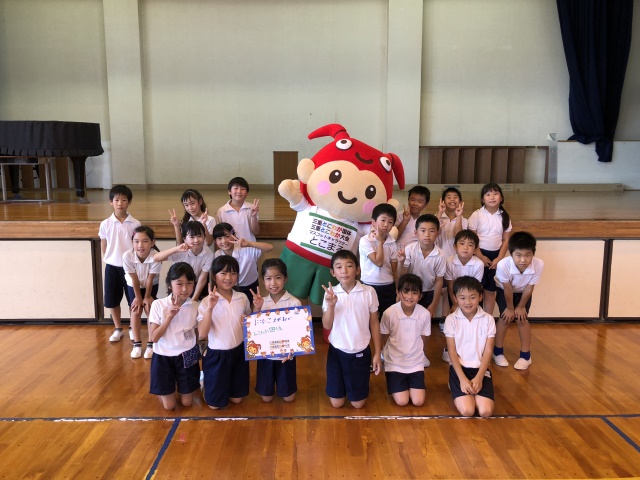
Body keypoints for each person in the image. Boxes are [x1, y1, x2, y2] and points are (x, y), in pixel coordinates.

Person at [322, 250, 381, 409]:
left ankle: (355, 388)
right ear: (333, 272)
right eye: (339, 267)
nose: (344, 271)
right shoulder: (330, 294)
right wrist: (331, 305)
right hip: (337, 351)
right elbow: (327, 325)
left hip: (360, 352)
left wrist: (377, 353)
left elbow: (374, 323)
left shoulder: (369, 292)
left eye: (349, 266)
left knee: (358, 404)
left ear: (358, 269)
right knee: (336, 403)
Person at [197, 256, 252, 409]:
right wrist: (210, 308)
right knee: (214, 406)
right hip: (217, 354)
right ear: (214, 276)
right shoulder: (206, 301)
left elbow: (249, 322)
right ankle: (205, 382)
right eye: (223, 273)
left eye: (233, 273)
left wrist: (248, 320)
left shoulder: (242, 297)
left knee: (237, 400)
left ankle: (221, 384)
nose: (228, 278)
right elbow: (202, 334)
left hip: (239, 352)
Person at [148, 262, 201, 411]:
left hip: (187, 354)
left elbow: (198, 333)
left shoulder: (195, 306)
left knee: (187, 403)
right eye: (179, 283)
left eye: (189, 283)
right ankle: (166, 389)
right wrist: (169, 316)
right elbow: (154, 338)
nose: (185, 288)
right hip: (163, 356)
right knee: (169, 406)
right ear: (169, 285)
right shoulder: (158, 304)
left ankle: (185, 385)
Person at [397, 214, 446, 368]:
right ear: (416, 233)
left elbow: (439, 281)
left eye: (432, 231)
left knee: (424, 325)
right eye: (423, 230)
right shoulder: (410, 249)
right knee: (405, 324)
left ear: (438, 233)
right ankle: (401, 352)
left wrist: (433, 304)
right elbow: (402, 275)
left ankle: (421, 353)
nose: (427, 235)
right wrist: (401, 262)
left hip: (428, 292)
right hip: (409, 293)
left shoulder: (440, 255)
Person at [251, 258, 302, 403]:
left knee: (289, 398)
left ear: (285, 278)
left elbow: (299, 331)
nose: (273, 283)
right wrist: (257, 308)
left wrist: (293, 350)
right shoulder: (261, 302)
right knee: (266, 398)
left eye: (278, 277)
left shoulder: (294, 302)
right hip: (265, 356)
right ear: (263, 280)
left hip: (286, 356)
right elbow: (254, 330)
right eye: (268, 278)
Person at [444, 276, 495, 418]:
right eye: (462, 298)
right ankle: (453, 382)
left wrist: (479, 377)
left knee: (485, 412)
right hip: (460, 370)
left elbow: (488, 350)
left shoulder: (488, 319)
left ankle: (477, 386)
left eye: (472, 297)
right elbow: (452, 352)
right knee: (468, 411)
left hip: (480, 369)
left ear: (480, 297)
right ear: (455, 298)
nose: (468, 302)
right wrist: (462, 379)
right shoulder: (451, 319)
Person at [493, 231, 544, 370]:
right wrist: (510, 308)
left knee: (522, 319)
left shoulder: (539, 264)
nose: (523, 260)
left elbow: (529, 288)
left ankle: (525, 356)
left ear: (533, 254)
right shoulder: (503, 265)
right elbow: (507, 288)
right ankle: (497, 352)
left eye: (528, 255)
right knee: (505, 318)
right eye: (518, 255)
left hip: (523, 293)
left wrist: (521, 307)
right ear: (511, 254)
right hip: (505, 291)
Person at [380, 274, 431, 407]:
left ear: (420, 296)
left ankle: (409, 384)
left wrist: (419, 355)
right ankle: (396, 380)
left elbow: (424, 338)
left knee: (418, 401)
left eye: (414, 293)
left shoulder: (425, 314)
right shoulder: (389, 313)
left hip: (415, 363)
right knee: (402, 401)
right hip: (395, 362)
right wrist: (388, 354)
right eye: (406, 291)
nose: (409, 296)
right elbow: (384, 337)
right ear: (398, 292)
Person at [98, 185, 141, 342]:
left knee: (132, 300)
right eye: (116, 200)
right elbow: (104, 243)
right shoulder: (105, 223)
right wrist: (108, 258)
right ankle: (117, 328)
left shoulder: (135, 223)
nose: (120, 203)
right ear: (111, 202)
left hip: (131, 268)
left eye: (124, 200)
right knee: (112, 300)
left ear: (129, 202)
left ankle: (132, 327)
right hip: (112, 267)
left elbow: (138, 244)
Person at [468, 183, 512, 318]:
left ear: (501, 198)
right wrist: (481, 256)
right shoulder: (477, 215)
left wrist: (499, 259)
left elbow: (506, 240)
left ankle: (488, 318)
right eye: (488, 194)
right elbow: (472, 239)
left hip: (496, 258)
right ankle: (475, 317)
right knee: (476, 289)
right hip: (478, 255)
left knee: (491, 291)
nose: (492, 197)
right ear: (482, 199)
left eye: (495, 194)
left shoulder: (504, 216)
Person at [440, 229, 485, 363]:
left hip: (471, 299)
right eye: (462, 244)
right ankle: (448, 348)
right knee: (454, 320)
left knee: (473, 322)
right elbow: (450, 284)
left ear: (475, 249)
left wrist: (469, 303)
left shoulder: (478, 264)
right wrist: (455, 303)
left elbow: (476, 287)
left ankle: (473, 350)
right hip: (455, 296)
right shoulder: (449, 261)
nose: (466, 248)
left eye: (470, 245)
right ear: (455, 247)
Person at [122, 226, 161, 358]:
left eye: (145, 241)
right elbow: (134, 278)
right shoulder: (127, 256)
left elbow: (150, 279)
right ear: (132, 242)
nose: (140, 245)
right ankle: (137, 344)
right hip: (134, 285)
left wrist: (147, 296)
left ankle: (151, 343)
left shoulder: (156, 256)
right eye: (136, 241)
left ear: (152, 242)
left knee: (150, 309)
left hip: (151, 284)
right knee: (136, 309)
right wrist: (138, 298)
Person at [213, 222, 273, 306]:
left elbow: (270, 247)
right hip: (230, 287)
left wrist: (249, 243)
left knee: (253, 308)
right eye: (219, 238)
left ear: (234, 235)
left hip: (250, 286)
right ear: (215, 241)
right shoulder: (217, 254)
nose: (224, 241)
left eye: (227, 236)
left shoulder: (246, 249)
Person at [154, 221, 213, 301]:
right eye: (192, 237)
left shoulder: (209, 253)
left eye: (199, 236)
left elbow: (202, 279)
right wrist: (176, 249)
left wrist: (193, 300)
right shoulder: (180, 250)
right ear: (184, 239)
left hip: (196, 285)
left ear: (204, 237)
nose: (196, 240)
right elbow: (156, 258)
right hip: (178, 284)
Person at [359, 203, 398, 317]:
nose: (386, 225)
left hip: (388, 285)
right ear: (373, 222)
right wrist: (380, 241)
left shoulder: (392, 243)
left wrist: (397, 289)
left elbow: (394, 271)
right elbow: (378, 262)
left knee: (387, 317)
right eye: (383, 220)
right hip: (368, 284)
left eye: (390, 222)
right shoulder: (365, 241)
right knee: (368, 318)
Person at [216, 177, 260, 242]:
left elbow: (256, 232)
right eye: (236, 188)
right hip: (230, 247)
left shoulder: (252, 208)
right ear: (229, 191)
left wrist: (253, 217)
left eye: (243, 189)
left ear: (247, 193)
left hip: (249, 246)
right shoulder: (221, 211)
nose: (239, 191)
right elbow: (218, 235)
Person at [436, 187, 467, 259]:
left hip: (455, 257)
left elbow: (458, 237)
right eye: (449, 197)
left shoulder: (464, 220)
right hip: (439, 257)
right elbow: (432, 230)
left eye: (455, 197)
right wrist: (440, 212)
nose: (452, 199)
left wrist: (458, 216)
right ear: (443, 201)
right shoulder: (437, 217)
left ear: (460, 202)